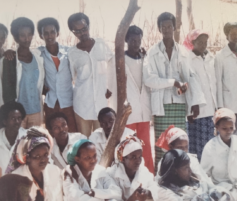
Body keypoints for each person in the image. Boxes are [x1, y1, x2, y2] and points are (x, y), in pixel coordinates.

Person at [143, 12, 206, 171]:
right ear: (159, 29)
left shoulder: (183, 52)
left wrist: (194, 103)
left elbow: (190, 76)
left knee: (179, 143)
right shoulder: (153, 52)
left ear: (174, 28)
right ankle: (161, 178)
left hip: (179, 105)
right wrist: (173, 82)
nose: (166, 30)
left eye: (169, 26)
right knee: (161, 145)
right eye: (163, 27)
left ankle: (180, 175)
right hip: (161, 106)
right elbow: (149, 79)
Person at [108, 25, 154, 173]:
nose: (136, 43)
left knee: (145, 145)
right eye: (132, 40)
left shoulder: (144, 59)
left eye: (138, 40)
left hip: (143, 111)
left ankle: (149, 175)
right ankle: (128, 175)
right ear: (126, 40)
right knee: (128, 146)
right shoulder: (119, 59)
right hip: (127, 111)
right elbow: (110, 85)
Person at [67, 12, 112, 137]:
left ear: (89, 26)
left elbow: (113, 65)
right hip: (82, 105)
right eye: (77, 31)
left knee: (102, 141)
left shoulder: (101, 45)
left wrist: (109, 87)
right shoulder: (72, 53)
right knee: (83, 144)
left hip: (101, 104)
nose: (82, 33)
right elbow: (71, 77)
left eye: (84, 28)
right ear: (73, 32)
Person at [201, 108, 237, 200]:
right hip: (220, 190)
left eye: (231, 128)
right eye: (224, 128)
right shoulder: (210, 147)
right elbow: (204, 175)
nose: (228, 131)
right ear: (217, 127)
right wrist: (214, 189)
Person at [0, 17, 45, 128]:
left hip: (36, 111)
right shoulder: (8, 60)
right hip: (17, 114)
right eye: (22, 35)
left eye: (29, 34)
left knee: (35, 143)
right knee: (18, 144)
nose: (26, 39)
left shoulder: (38, 58)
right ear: (16, 38)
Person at [183, 29, 217, 161]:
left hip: (210, 108)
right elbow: (189, 83)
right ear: (192, 42)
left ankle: (208, 171)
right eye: (200, 42)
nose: (203, 45)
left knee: (210, 144)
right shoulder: (188, 59)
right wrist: (192, 106)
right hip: (196, 111)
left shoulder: (210, 58)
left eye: (205, 42)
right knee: (197, 145)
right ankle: (198, 173)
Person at [6, 126, 63, 201]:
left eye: (45, 155)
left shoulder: (55, 171)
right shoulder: (15, 179)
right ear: (27, 158)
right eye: (37, 156)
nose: (43, 160)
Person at [157, 149, 230, 201]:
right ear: (175, 171)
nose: (190, 170)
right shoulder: (164, 192)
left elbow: (209, 187)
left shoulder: (192, 179)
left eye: (189, 166)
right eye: (186, 168)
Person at [106, 135, 158, 201]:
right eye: (133, 157)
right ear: (123, 159)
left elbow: (154, 188)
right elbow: (112, 198)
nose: (138, 161)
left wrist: (147, 193)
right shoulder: (113, 174)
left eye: (140, 157)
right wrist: (133, 198)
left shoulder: (143, 171)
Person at [0, 101, 27, 176]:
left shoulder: (28, 137)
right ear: (5, 121)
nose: (17, 122)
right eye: (13, 118)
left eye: (19, 118)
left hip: (24, 183)